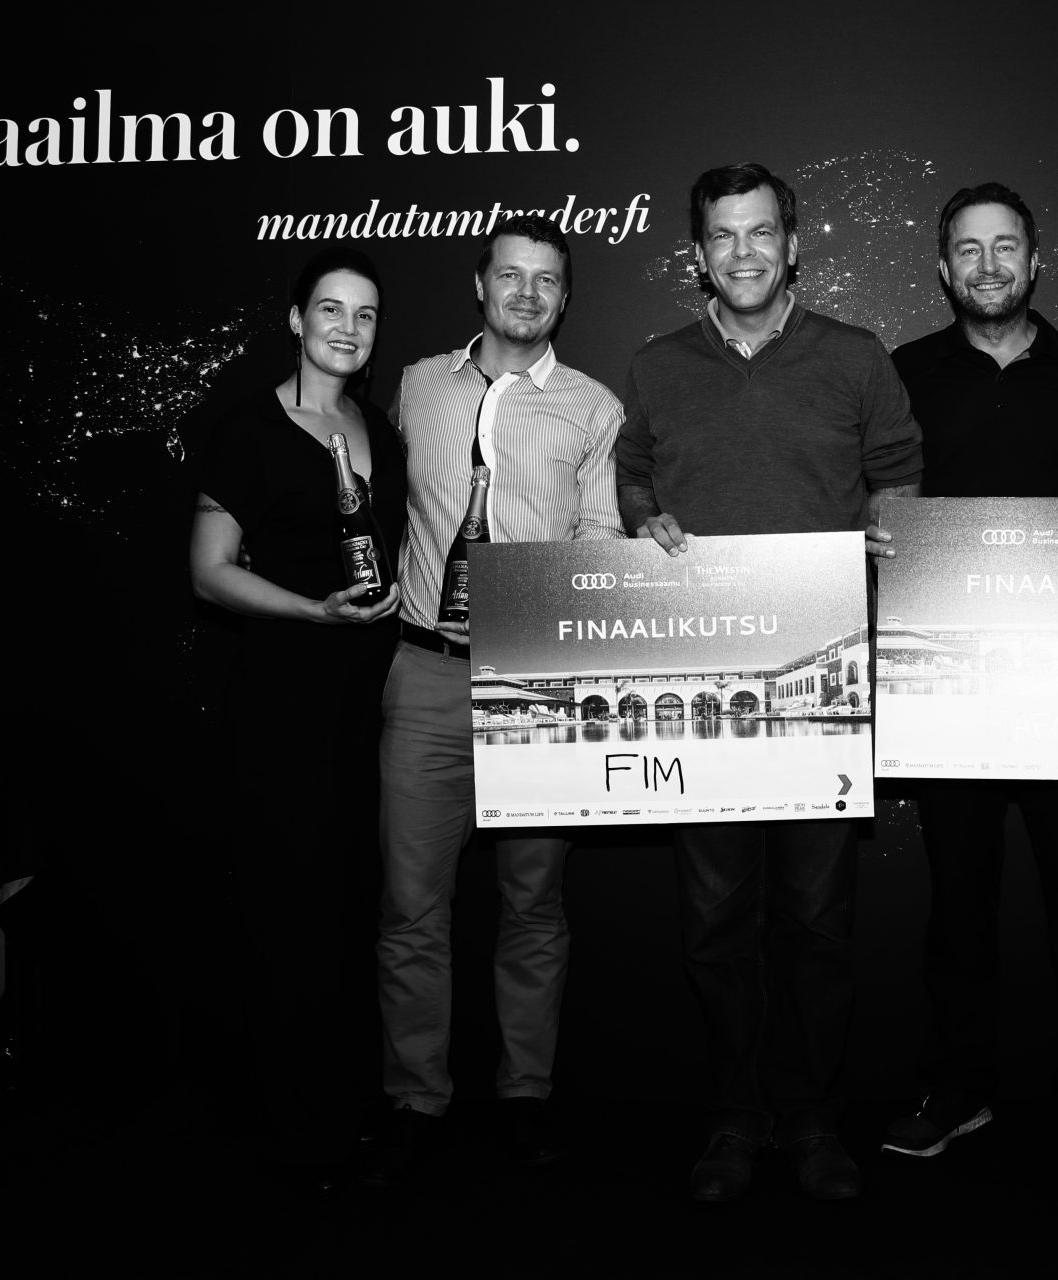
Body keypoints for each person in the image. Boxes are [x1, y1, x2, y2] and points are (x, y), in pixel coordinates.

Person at [616, 162, 922, 1203]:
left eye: (760, 233)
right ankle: (734, 1117)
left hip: (823, 679)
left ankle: (812, 1116)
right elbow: (633, 473)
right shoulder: (657, 365)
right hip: (699, 685)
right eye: (723, 235)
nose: (742, 252)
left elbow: (898, 469)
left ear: (792, 246)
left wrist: (885, 531)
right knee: (713, 923)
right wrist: (643, 517)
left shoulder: (854, 354)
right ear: (698, 254)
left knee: (818, 922)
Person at [881, 183, 1058, 1176]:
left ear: (1035, 261)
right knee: (958, 906)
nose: (988, 265)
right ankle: (958, 1087)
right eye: (968, 249)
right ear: (943, 267)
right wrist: (874, 527)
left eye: (1005, 247)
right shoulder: (905, 372)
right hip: (947, 684)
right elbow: (880, 498)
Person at [369, 214, 626, 1183]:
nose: (526, 293)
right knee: (410, 907)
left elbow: (600, 536)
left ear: (565, 296)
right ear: (480, 285)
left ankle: (525, 1095)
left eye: (546, 280)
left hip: (536, 680)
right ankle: (415, 1099)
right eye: (510, 275)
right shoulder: (417, 385)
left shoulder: (593, 407)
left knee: (534, 904)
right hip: (426, 674)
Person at [187, 246, 403, 1190]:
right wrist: (312, 611)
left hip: (363, 700)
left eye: (365, 314)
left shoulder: (374, 427)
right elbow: (209, 572)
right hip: (279, 701)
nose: (347, 328)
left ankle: (339, 1103)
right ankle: (291, 1122)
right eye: (331, 309)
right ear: (295, 319)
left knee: (348, 900)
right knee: (289, 905)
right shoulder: (249, 429)